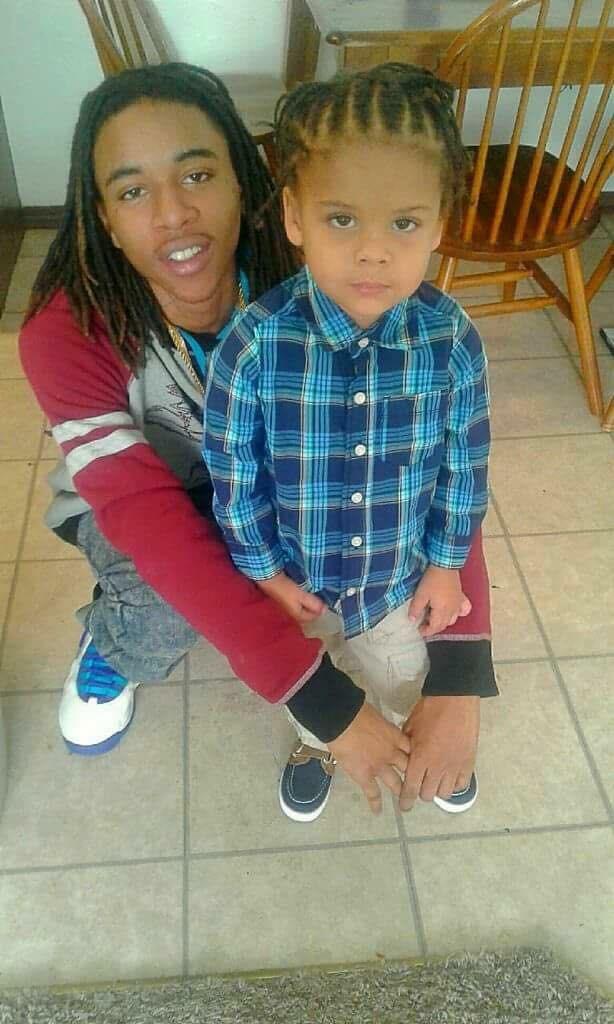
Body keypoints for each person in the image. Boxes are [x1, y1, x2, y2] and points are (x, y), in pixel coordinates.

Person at [19, 62, 495, 819]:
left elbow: (439, 462)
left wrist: (461, 669)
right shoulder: (69, 332)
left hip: (299, 495)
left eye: (197, 174)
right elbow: (151, 523)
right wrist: (326, 707)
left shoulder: (330, 273)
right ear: (103, 216)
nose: (173, 214)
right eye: (133, 191)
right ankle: (116, 638)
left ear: (247, 184)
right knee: (168, 593)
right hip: (160, 504)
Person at [203, 62, 495, 822]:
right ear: (294, 217)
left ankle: (416, 740)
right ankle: (319, 743)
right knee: (316, 687)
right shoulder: (255, 345)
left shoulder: (452, 339)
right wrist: (264, 571)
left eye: (403, 224)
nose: (373, 251)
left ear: (439, 224)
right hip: (298, 589)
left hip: (400, 584)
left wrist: (445, 563)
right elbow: (234, 474)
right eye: (341, 220)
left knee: (401, 679)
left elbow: (464, 467)